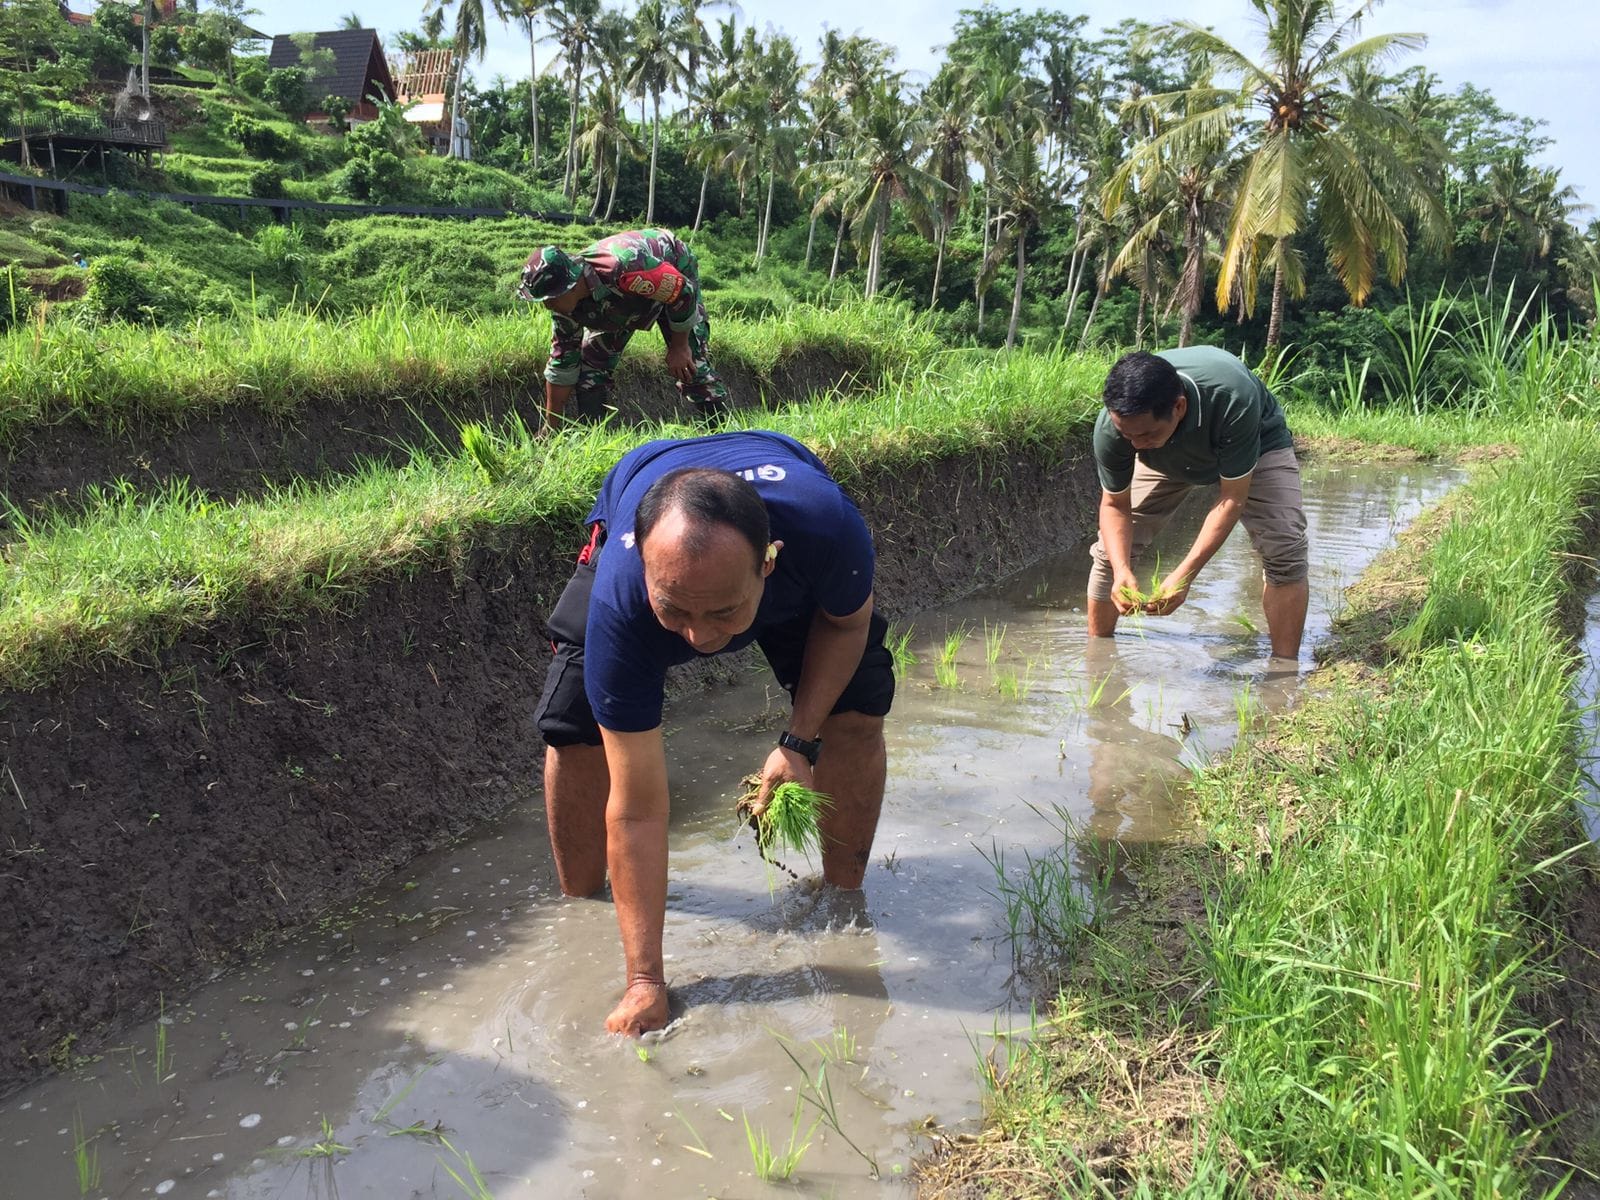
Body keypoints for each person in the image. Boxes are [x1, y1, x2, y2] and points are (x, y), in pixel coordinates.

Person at [534, 429, 894, 1036]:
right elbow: (637, 809)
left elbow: (845, 624)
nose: (700, 638)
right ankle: (583, 906)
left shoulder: (827, 530)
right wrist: (645, 981)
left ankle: (845, 899)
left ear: (769, 565)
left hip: (785, 528)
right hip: (644, 489)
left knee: (857, 712)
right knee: (574, 728)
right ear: (644, 572)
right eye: (676, 610)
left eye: (723, 612)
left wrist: (799, 742)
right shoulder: (623, 600)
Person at [1087, 347, 1308, 659]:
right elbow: (1114, 505)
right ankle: (1099, 659)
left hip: (1258, 447)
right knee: (1110, 554)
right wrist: (1121, 569)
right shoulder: (1115, 429)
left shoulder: (1232, 396)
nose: (1135, 444)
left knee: (1284, 549)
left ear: (1179, 407)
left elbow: (1232, 498)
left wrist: (1184, 575)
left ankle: (1284, 670)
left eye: (1146, 434)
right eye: (1128, 436)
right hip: (1166, 458)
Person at [517, 228, 730, 432]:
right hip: (620, 301)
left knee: (691, 363)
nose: (547, 306)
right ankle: (593, 437)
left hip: (671, 270)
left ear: (570, 286)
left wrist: (680, 347)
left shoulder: (624, 267)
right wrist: (550, 427)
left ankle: (722, 434)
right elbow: (562, 363)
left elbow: (682, 292)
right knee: (591, 367)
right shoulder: (564, 308)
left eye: (549, 299)